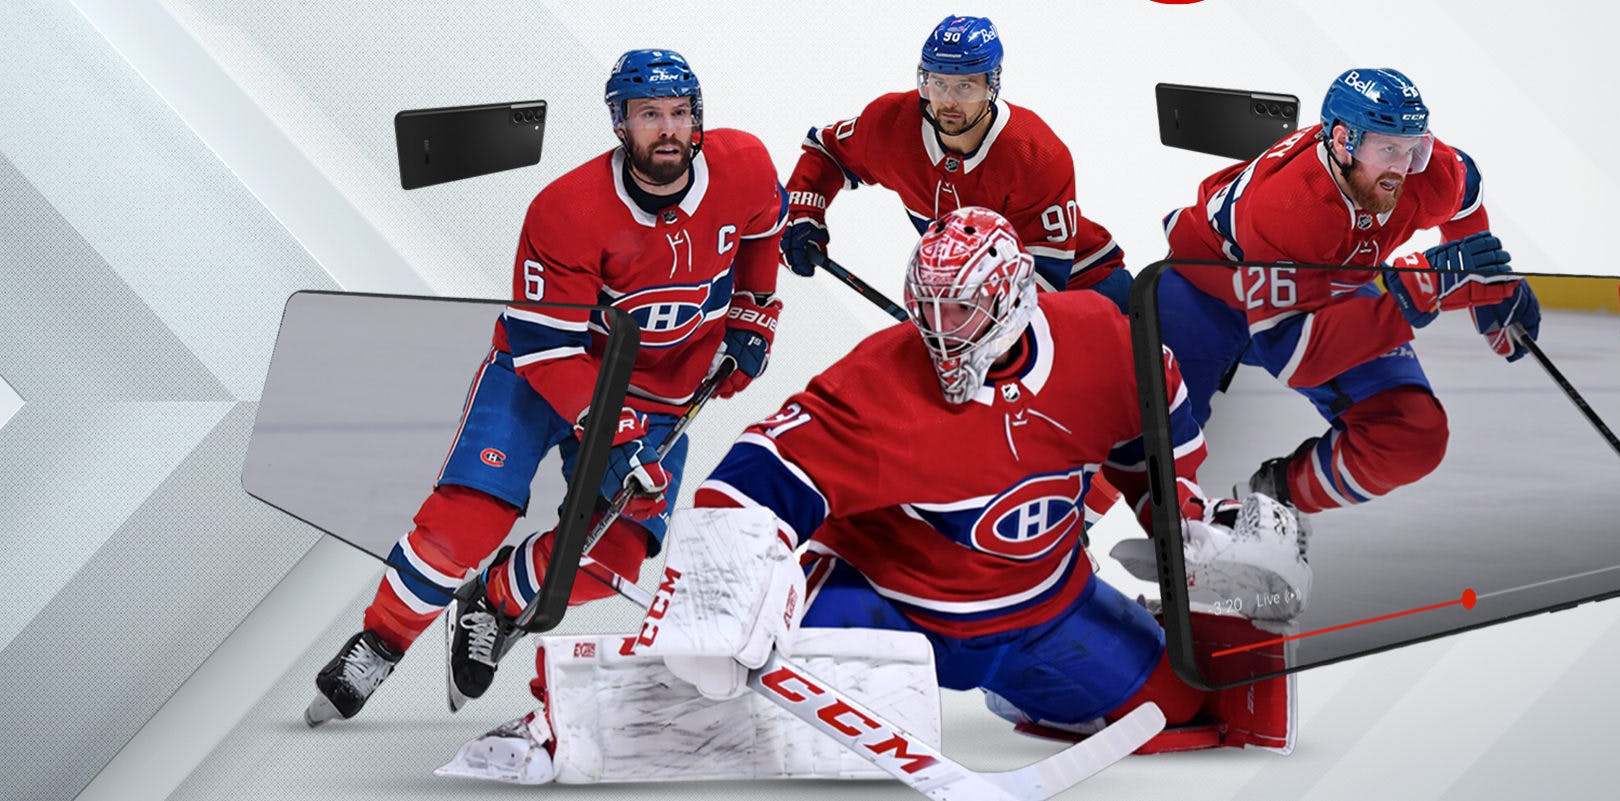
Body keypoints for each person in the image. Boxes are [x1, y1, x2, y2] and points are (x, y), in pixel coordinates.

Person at [536, 209, 1309, 768]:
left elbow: (1153, 444)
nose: (941, 330)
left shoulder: (1103, 339)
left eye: (962, 308)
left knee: (1181, 707)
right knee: (720, 711)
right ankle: (562, 722)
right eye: (928, 306)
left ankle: (1020, 691)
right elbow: (751, 480)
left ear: (1012, 298)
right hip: (892, 610)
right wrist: (721, 585)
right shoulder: (878, 384)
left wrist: (1187, 525)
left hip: (1045, 606)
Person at [306, 48, 788, 725]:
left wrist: (755, 310)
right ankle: (381, 640)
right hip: (541, 374)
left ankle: (496, 600)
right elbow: (549, 347)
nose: (669, 129)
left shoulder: (744, 166)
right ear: (620, 123)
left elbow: (765, 228)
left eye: (680, 112)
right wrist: (611, 434)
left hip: (658, 393)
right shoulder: (567, 209)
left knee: (611, 554)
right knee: (464, 523)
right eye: (650, 114)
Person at [1159, 67, 1543, 515]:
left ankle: (1267, 504)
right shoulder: (1289, 206)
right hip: (1209, 288)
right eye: (1387, 149)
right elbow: (1291, 355)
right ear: (1342, 141)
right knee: (1148, 454)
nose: (1402, 169)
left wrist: (1486, 284)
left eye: (1413, 149)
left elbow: (1467, 194)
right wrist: (1421, 292)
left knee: (1411, 435)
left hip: (1329, 284)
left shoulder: (1425, 172)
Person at [782, 15, 1132, 310]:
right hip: (979, 305)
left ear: (992, 84)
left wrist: (965, 330)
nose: (948, 101)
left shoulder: (1035, 155)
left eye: (965, 86)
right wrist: (803, 213)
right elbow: (826, 151)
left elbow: (1042, 283)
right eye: (938, 83)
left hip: (1086, 286)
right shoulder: (891, 125)